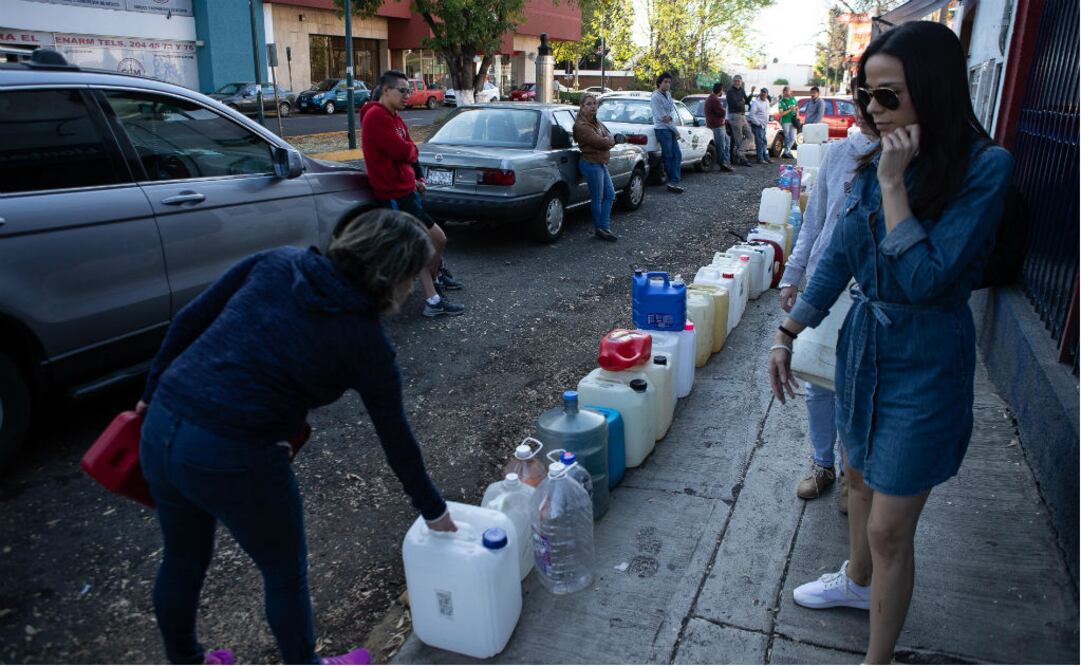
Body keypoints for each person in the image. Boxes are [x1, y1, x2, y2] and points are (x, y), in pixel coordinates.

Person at [767, 21, 1013, 664]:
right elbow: (841, 252)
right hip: (864, 350)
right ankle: (855, 582)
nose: (871, 111)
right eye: (865, 96)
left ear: (931, 91)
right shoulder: (869, 158)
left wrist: (895, 184)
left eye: (887, 96)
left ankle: (877, 658)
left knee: (888, 529)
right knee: (856, 473)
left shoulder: (984, 168)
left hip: (927, 362)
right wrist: (788, 331)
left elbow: (930, 278)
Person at [137, 209, 459, 666]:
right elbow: (395, 436)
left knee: (183, 559)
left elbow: (189, 321)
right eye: (414, 274)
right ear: (395, 276)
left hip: (163, 423)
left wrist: (150, 395)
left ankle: (186, 660)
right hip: (234, 452)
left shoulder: (276, 262)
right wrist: (433, 509)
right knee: (284, 574)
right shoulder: (365, 341)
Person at [778, 95, 879, 510]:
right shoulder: (838, 154)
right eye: (867, 101)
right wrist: (792, 277)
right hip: (825, 283)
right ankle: (823, 465)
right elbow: (814, 221)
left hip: (870, 292)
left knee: (856, 385)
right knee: (818, 381)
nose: (874, 112)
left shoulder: (905, 161)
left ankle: (850, 473)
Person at [360, 70, 464, 318]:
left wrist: (419, 177)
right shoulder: (375, 116)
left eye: (409, 90)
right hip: (393, 195)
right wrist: (409, 152)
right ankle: (432, 298)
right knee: (424, 242)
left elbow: (410, 152)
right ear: (386, 91)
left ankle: (435, 280)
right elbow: (402, 151)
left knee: (435, 240)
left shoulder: (395, 119)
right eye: (403, 91)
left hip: (407, 191)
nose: (408, 95)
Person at [573, 93, 619, 241]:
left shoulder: (596, 121)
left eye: (594, 103)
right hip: (590, 163)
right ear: (582, 107)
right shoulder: (581, 126)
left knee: (610, 195)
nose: (593, 106)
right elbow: (602, 143)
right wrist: (608, 140)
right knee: (597, 197)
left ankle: (603, 227)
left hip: (601, 162)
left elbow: (609, 135)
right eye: (589, 104)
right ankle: (600, 228)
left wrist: (608, 139)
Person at [650, 71, 684, 193]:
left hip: (670, 128)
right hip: (663, 130)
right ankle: (672, 182)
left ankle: (674, 181)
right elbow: (662, 118)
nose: (668, 84)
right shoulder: (655, 97)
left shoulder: (668, 94)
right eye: (665, 82)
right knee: (668, 156)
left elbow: (672, 112)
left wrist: (671, 122)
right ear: (659, 83)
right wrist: (675, 129)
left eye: (669, 82)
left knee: (678, 155)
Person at [705, 83, 734, 172]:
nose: (722, 92)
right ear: (720, 90)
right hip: (717, 126)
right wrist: (724, 110)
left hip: (719, 125)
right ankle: (723, 164)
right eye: (722, 90)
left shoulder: (711, 98)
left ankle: (726, 163)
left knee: (726, 144)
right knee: (721, 146)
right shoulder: (714, 99)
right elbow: (721, 112)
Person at [726, 75, 754, 166]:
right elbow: (733, 104)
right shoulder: (730, 92)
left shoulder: (742, 90)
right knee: (738, 140)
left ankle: (739, 153)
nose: (737, 82)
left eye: (739, 81)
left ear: (741, 82)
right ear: (733, 82)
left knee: (750, 136)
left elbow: (746, 101)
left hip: (742, 115)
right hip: (734, 116)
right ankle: (742, 159)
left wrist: (752, 93)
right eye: (736, 81)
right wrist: (741, 101)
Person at [748, 87, 772, 164]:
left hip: (764, 126)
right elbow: (751, 115)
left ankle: (766, 157)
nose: (763, 94)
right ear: (760, 93)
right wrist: (759, 124)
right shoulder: (756, 103)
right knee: (760, 143)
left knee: (764, 142)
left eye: (765, 93)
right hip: (758, 126)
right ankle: (760, 159)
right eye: (762, 92)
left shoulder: (767, 101)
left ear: (767, 94)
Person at [777, 86, 798, 159]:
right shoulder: (781, 102)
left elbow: (796, 108)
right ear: (784, 92)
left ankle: (786, 151)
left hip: (793, 121)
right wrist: (790, 109)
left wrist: (797, 115)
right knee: (787, 137)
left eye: (790, 91)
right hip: (785, 121)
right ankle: (786, 152)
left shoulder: (793, 99)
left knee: (793, 138)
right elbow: (781, 113)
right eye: (789, 91)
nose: (790, 92)